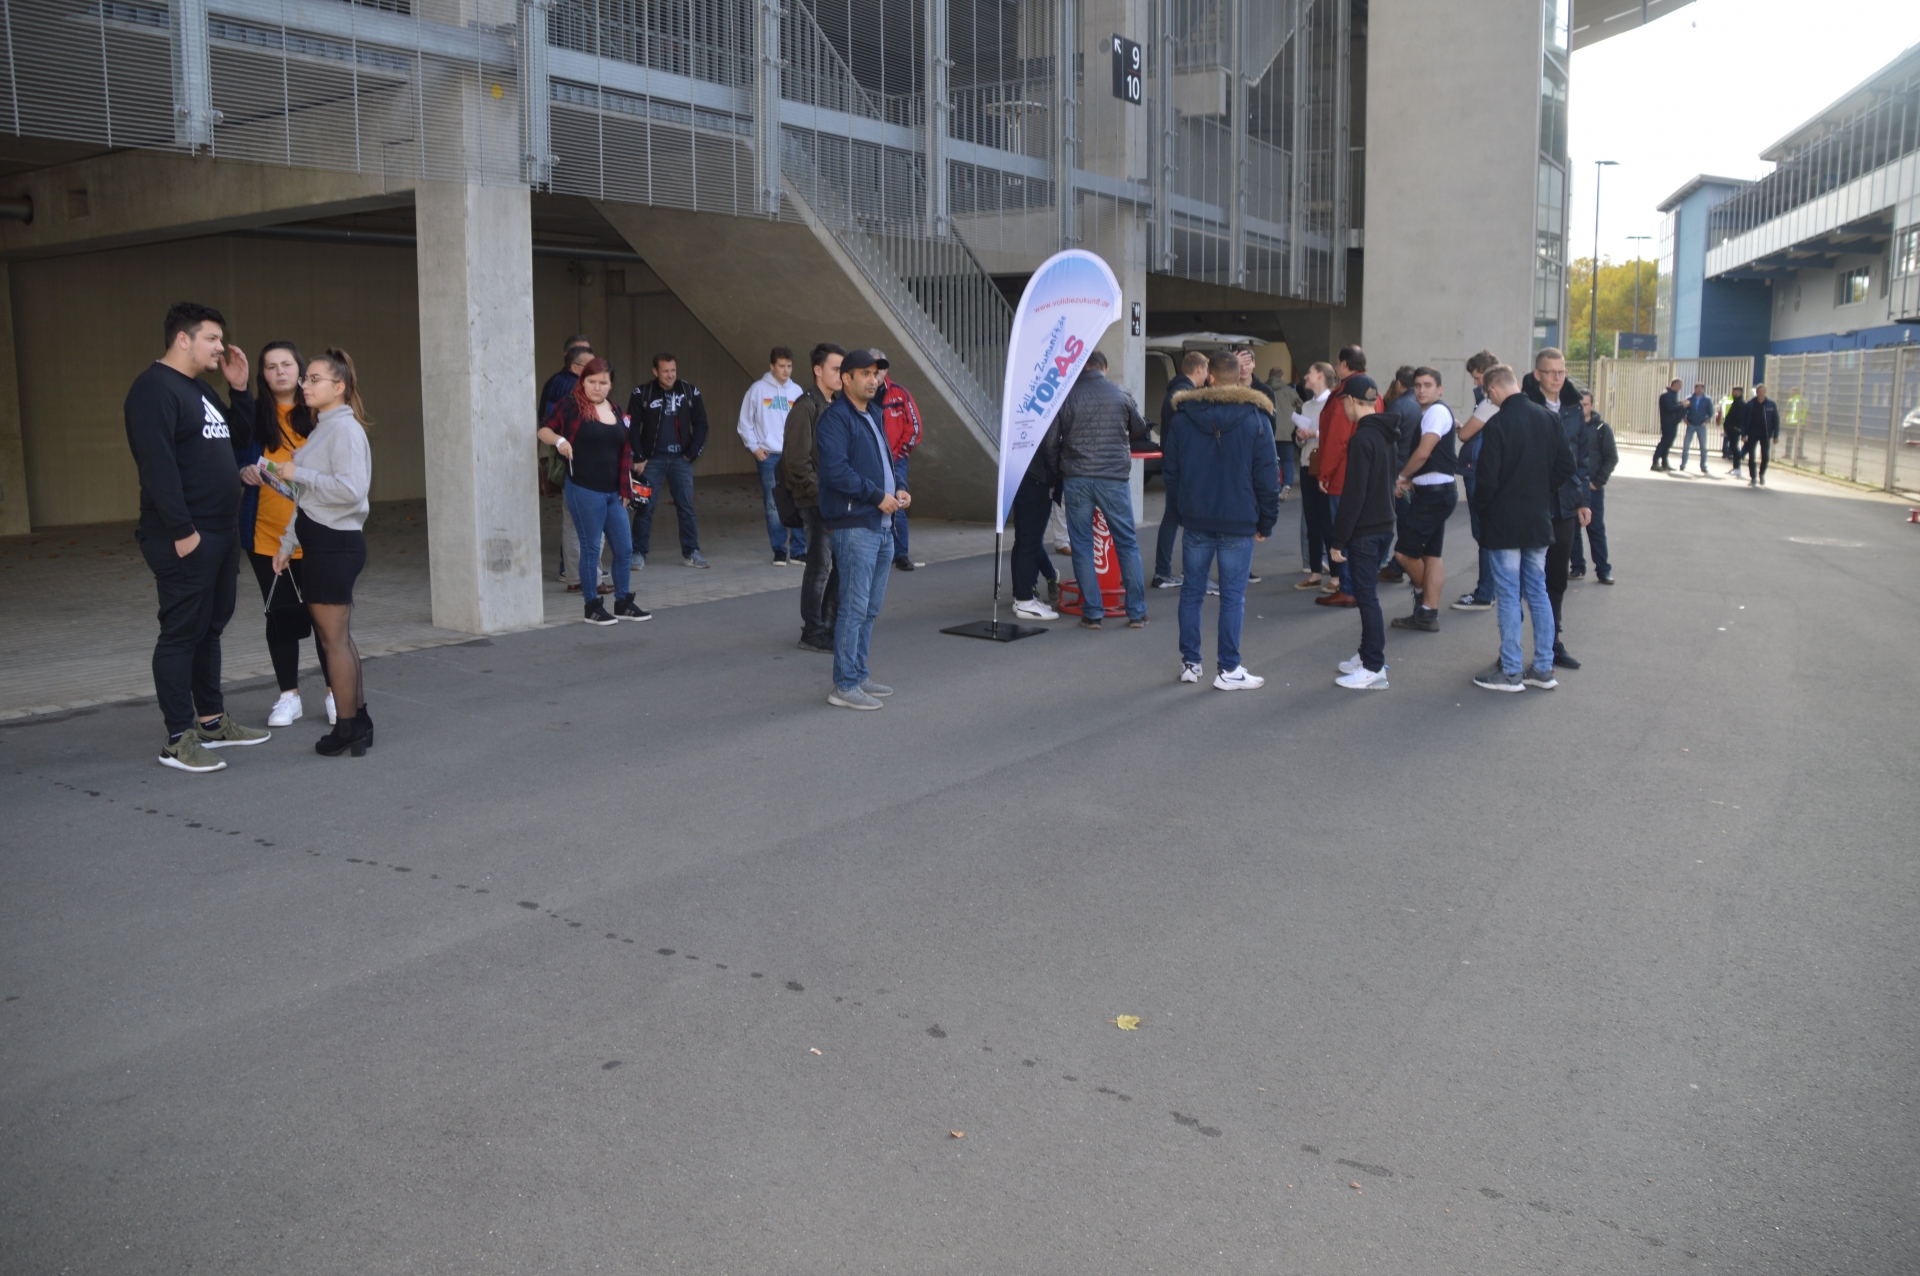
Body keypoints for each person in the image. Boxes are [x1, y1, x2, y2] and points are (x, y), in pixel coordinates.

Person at [124, 301, 271, 772]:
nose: (221, 346)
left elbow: (237, 437)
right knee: (181, 632)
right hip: (185, 536)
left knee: (210, 628)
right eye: (212, 338)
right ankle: (176, 738)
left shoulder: (200, 390)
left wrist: (240, 389)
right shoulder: (153, 389)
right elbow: (157, 466)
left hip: (219, 532)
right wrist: (183, 532)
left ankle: (211, 722)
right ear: (182, 339)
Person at [265, 349, 374, 756]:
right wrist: (288, 544)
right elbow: (307, 498)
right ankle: (358, 719)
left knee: (333, 641)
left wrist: (298, 472)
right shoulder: (324, 428)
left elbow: (351, 490)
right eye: (305, 378)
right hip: (321, 543)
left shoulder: (344, 429)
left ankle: (347, 728)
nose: (303, 385)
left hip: (335, 545)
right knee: (338, 639)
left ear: (338, 387)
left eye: (313, 379)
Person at [1163, 350, 1280, 689]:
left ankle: (1191, 663)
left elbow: (1171, 471)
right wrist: (1266, 522)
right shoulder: (1256, 418)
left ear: (1210, 376)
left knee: (1192, 592)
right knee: (1232, 596)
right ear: (1238, 376)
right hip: (1239, 519)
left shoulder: (1184, 416)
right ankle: (1228, 669)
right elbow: (1267, 476)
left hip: (1196, 519)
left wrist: (1183, 509)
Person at [235, 340, 331, 728]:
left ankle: (334, 694)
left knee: (327, 619)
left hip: (317, 534)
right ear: (263, 374)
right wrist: (242, 470)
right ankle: (288, 696)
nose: (280, 372)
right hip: (267, 535)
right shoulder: (254, 415)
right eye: (271, 366)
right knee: (280, 615)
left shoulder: (322, 414)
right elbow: (236, 453)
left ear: (301, 369)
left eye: (287, 364)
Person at [1469, 363, 1573, 693]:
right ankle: (1543, 668)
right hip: (1538, 518)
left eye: (1489, 394)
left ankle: (1511, 669)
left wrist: (1485, 509)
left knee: (1509, 594)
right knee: (1537, 591)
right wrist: (1541, 489)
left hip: (1503, 522)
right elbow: (1566, 467)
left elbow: (1486, 480)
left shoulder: (1497, 424)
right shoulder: (1549, 418)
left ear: (1494, 390)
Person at [815, 348, 910, 709]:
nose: (873, 380)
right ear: (846, 379)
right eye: (865, 373)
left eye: (877, 374)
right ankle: (844, 685)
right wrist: (876, 496)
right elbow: (835, 472)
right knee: (853, 607)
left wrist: (898, 487)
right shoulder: (835, 419)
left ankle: (858, 672)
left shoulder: (873, 412)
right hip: (856, 525)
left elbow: (889, 459)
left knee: (870, 607)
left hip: (882, 523)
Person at [1043, 348, 1152, 630]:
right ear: (1104, 368)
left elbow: (1051, 442)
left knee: (1081, 546)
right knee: (1127, 543)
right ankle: (1137, 613)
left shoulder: (1066, 396)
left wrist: (1059, 473)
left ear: (1081, 369)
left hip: (1076, 478)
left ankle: (1092, 613)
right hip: (1113, 479)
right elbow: (1139, 427)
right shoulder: (1121, 392)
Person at [541, 357, 648, 626]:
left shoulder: (615, 409)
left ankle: (622, 602)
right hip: (583, 489)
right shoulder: (571, 406)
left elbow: (624, 450)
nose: (597, 387)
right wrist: (560, 440)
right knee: (591, 549)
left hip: (614, 492)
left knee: (624, 549)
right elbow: (543, 430)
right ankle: (592, 606)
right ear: (582, 382)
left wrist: (626, 487)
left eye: (603, 382)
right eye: (591, 382)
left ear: (610, 385)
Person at [1324, 377, 1395, 690]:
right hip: (1383, 524)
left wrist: (1338, 539)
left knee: (1366, 597)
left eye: (1343, 401)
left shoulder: (1362, 438)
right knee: (1369, 595)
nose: (1342, 406)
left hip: (1366, 529)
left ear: (1351, 401)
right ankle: (1367, 656)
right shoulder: (1386, 433)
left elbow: (1354, 494)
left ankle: (1374, 666)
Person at [1524, 348, 1591, 670]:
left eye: (1561, 372)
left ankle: (1552, 643)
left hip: (1565, 505)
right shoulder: (1525, 405)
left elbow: (1581, 458)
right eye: (1550, 372)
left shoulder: (1575, 408)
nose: (1557, 378)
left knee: (1556, 578)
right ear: (1538, 374)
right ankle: (1514, 647)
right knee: (1525, 580)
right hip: (1533, 503)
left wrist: (1582, 500)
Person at [777, 343, 845, 652]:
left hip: (836, 501)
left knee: (840, 566)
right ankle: (812, 631)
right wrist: (820, 494)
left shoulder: (837, 404)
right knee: (819, 568)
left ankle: (828, 626)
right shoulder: (806, 406)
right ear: (818, 370)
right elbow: (797, 461)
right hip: (816, 502)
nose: (841, 375)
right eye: (835, 369)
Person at [1386, 366, 1456, 633]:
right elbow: (1435, 460)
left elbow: (1424, 453)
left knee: (1404, 554)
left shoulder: (1436, 412)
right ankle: (1428, 613)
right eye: (1417, 385)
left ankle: (1422, 601)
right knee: (1432, 555)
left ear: (1439, 389)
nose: (1421, 390)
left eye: (1427, 385)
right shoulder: (1433, 412)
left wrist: (1401, 476)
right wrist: (1412, 481)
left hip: (1434, 497)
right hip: (1436, 492)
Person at [629, 353, 710, 568]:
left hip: (681, 461)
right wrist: (638, 456)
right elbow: (631, 426)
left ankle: (691, 552)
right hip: (651, 462)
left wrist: (691, 454)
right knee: (644, 508)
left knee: (686, 508)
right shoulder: (642, 393)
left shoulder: (689, 391)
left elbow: (702, 424)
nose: (670, 375)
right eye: (665, 371)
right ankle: (637, 553)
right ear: (655, 371)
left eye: (673, 370)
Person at [542, 338, 607, 593]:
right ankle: (593, 579)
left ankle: (573, 578)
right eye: (591, 367)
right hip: (583, 467)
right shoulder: (574, 392)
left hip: (567, 465)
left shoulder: (554, 383)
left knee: (571, 525)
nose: (597, 375)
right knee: (594, 528)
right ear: (576, 367)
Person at [739, 347, 808, 565]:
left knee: (798, 500)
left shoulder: (796, 391)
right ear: (772, 366)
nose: (786, 370)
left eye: (789, 366)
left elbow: (804, 424)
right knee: (773, 504)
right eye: (781, 366)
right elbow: (745, 422)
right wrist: (754, 447)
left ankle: (798, 550)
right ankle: (779, 550)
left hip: (793, 456)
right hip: (769, 456)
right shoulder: (757, 390)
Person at [1312, 345, 1367, 608]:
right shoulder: (1372, 390)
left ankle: (1347, 587)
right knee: (1359, 532)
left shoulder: (1345, 394)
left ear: (1344, 364)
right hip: (1364, 472)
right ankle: (1358, 584)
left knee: (1342, 532)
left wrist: (1324, 473)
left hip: (1343, 474)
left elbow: (1337, 438)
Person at [1153, 350, 1210, 588]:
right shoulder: (1184, 396)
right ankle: (1171, 572)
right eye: (1206, 370)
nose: (1207, 375)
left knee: (1173, 516)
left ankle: (1165, 571)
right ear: (1198, 369)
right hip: (1183, 466)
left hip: (1175, 463)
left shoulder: (1176, 392)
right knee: (1183, 517)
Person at [1452, 350, 1502, 612]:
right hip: (1482, 469)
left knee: (1483, 534)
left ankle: (1485, 592)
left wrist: (1462, 429)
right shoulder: (1492, 401)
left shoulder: (1489, 402)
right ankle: (1488, 590)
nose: (1475, 382)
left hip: (1477, 471)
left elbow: (1467, 435)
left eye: (1478, 377)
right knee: (1485, 534)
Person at [875, 361, 924, 571]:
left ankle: (901, 554)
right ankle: (880, 550)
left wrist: (901, 452)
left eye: (881, 369)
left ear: (887, 371)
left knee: (899, 502)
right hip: (873, 459)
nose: (876, 375)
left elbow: (915, 427)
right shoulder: (862, 395)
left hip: (896, 459)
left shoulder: (899, 393)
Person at [1009, 434, 1063, 621]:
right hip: (1036, 476)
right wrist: (1055, 472)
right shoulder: (1047, 409)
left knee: (1024, 539)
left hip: (1023, 473)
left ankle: (1021, 597)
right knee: (1030, 541)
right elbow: (1050, 445)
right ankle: (1025, 601)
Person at [1292, 361, 1335, 591]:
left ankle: (1336, 577)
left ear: (1320, 375)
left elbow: (1338, 433)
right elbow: (1302, 439)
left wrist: (1314, 433)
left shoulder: (1334, 402)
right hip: (1308, 463)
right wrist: (1301, 436)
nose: (1306, 376)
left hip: (1326, 466)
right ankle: (1315, 572)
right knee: (1312, 521)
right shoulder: (1307, 405)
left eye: (1309, 372)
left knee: (1327, 522)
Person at [1378, 365, 1422, 585]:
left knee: (1390, 521)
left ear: (1399, 384)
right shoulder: (1424, 406)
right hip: (1416, 473)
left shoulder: (1397, 406)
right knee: (1409, 523)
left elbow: (1385, 441)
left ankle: (1395, 565)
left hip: (1397, 473)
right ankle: (1403, 565)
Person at [1568, 391, 1617, 585]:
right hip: (1572, 487)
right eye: (1579, 405)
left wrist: (1597, 482)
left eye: (1586, 405)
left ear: (1592, 405)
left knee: (1595, 529)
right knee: (1572, 529)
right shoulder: (1568, 427)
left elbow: (1611, 458)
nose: (1582, 409)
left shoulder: (1601, 429)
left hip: (1593, 489)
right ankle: (1577, 567)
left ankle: (1603, 570)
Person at [1742, 383, 1780, 487]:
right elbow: (1745, 420)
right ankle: (1753, 477)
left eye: (1763, 392)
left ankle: (1762, 474)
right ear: (1757, 392)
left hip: (1765, 434)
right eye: (1760, 391)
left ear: (1765, 393)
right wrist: (1744, 434)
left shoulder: (1771, 405)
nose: (1761, 394)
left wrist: (1776, 435)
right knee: (1751, 456)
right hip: (1752, 433)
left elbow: (1776, 421)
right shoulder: (1750, 404)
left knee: (1765, 456)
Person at [1680, 381, 1713, 475]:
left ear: (1703, 389)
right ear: (1694, 389)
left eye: (1701, 388)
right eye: (1697, 388)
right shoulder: (1689, 398)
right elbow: (1684, 412)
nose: (1699, 390)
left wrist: (1706, 422)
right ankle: (1683, 464)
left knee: (1703, 447)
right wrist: (1687, 423)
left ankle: (1703, 466)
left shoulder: (1707, 400)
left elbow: (1710, 413)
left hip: (1701, 425)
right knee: (1686, 445)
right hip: (1691, 424)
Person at [1654, 378, 1684, 472]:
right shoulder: (1666, 395)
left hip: (1673, 423)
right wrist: (1682, 405)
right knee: (1664, 443)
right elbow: (1670, 408)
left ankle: (1664, 462)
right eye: (1679, 386)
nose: (1680, 388)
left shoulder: (1672, 395)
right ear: (1675, 385)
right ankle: (1655, 462)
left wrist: (1680, 404)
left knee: (1668, 444)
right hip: (1668, 423)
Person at [1720, 386, 1748, 477]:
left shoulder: (1741, 403)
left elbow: (1739, 417)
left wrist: (1733, 426)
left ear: (1740, 392)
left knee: (1734, 448)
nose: (1734, 393)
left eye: (1736, 392)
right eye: (1733, 391)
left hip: (1735, 429)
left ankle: (1737, 467)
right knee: (1733, 447)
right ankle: (1735, 467)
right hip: (1730, 428)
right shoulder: (1735, 402)